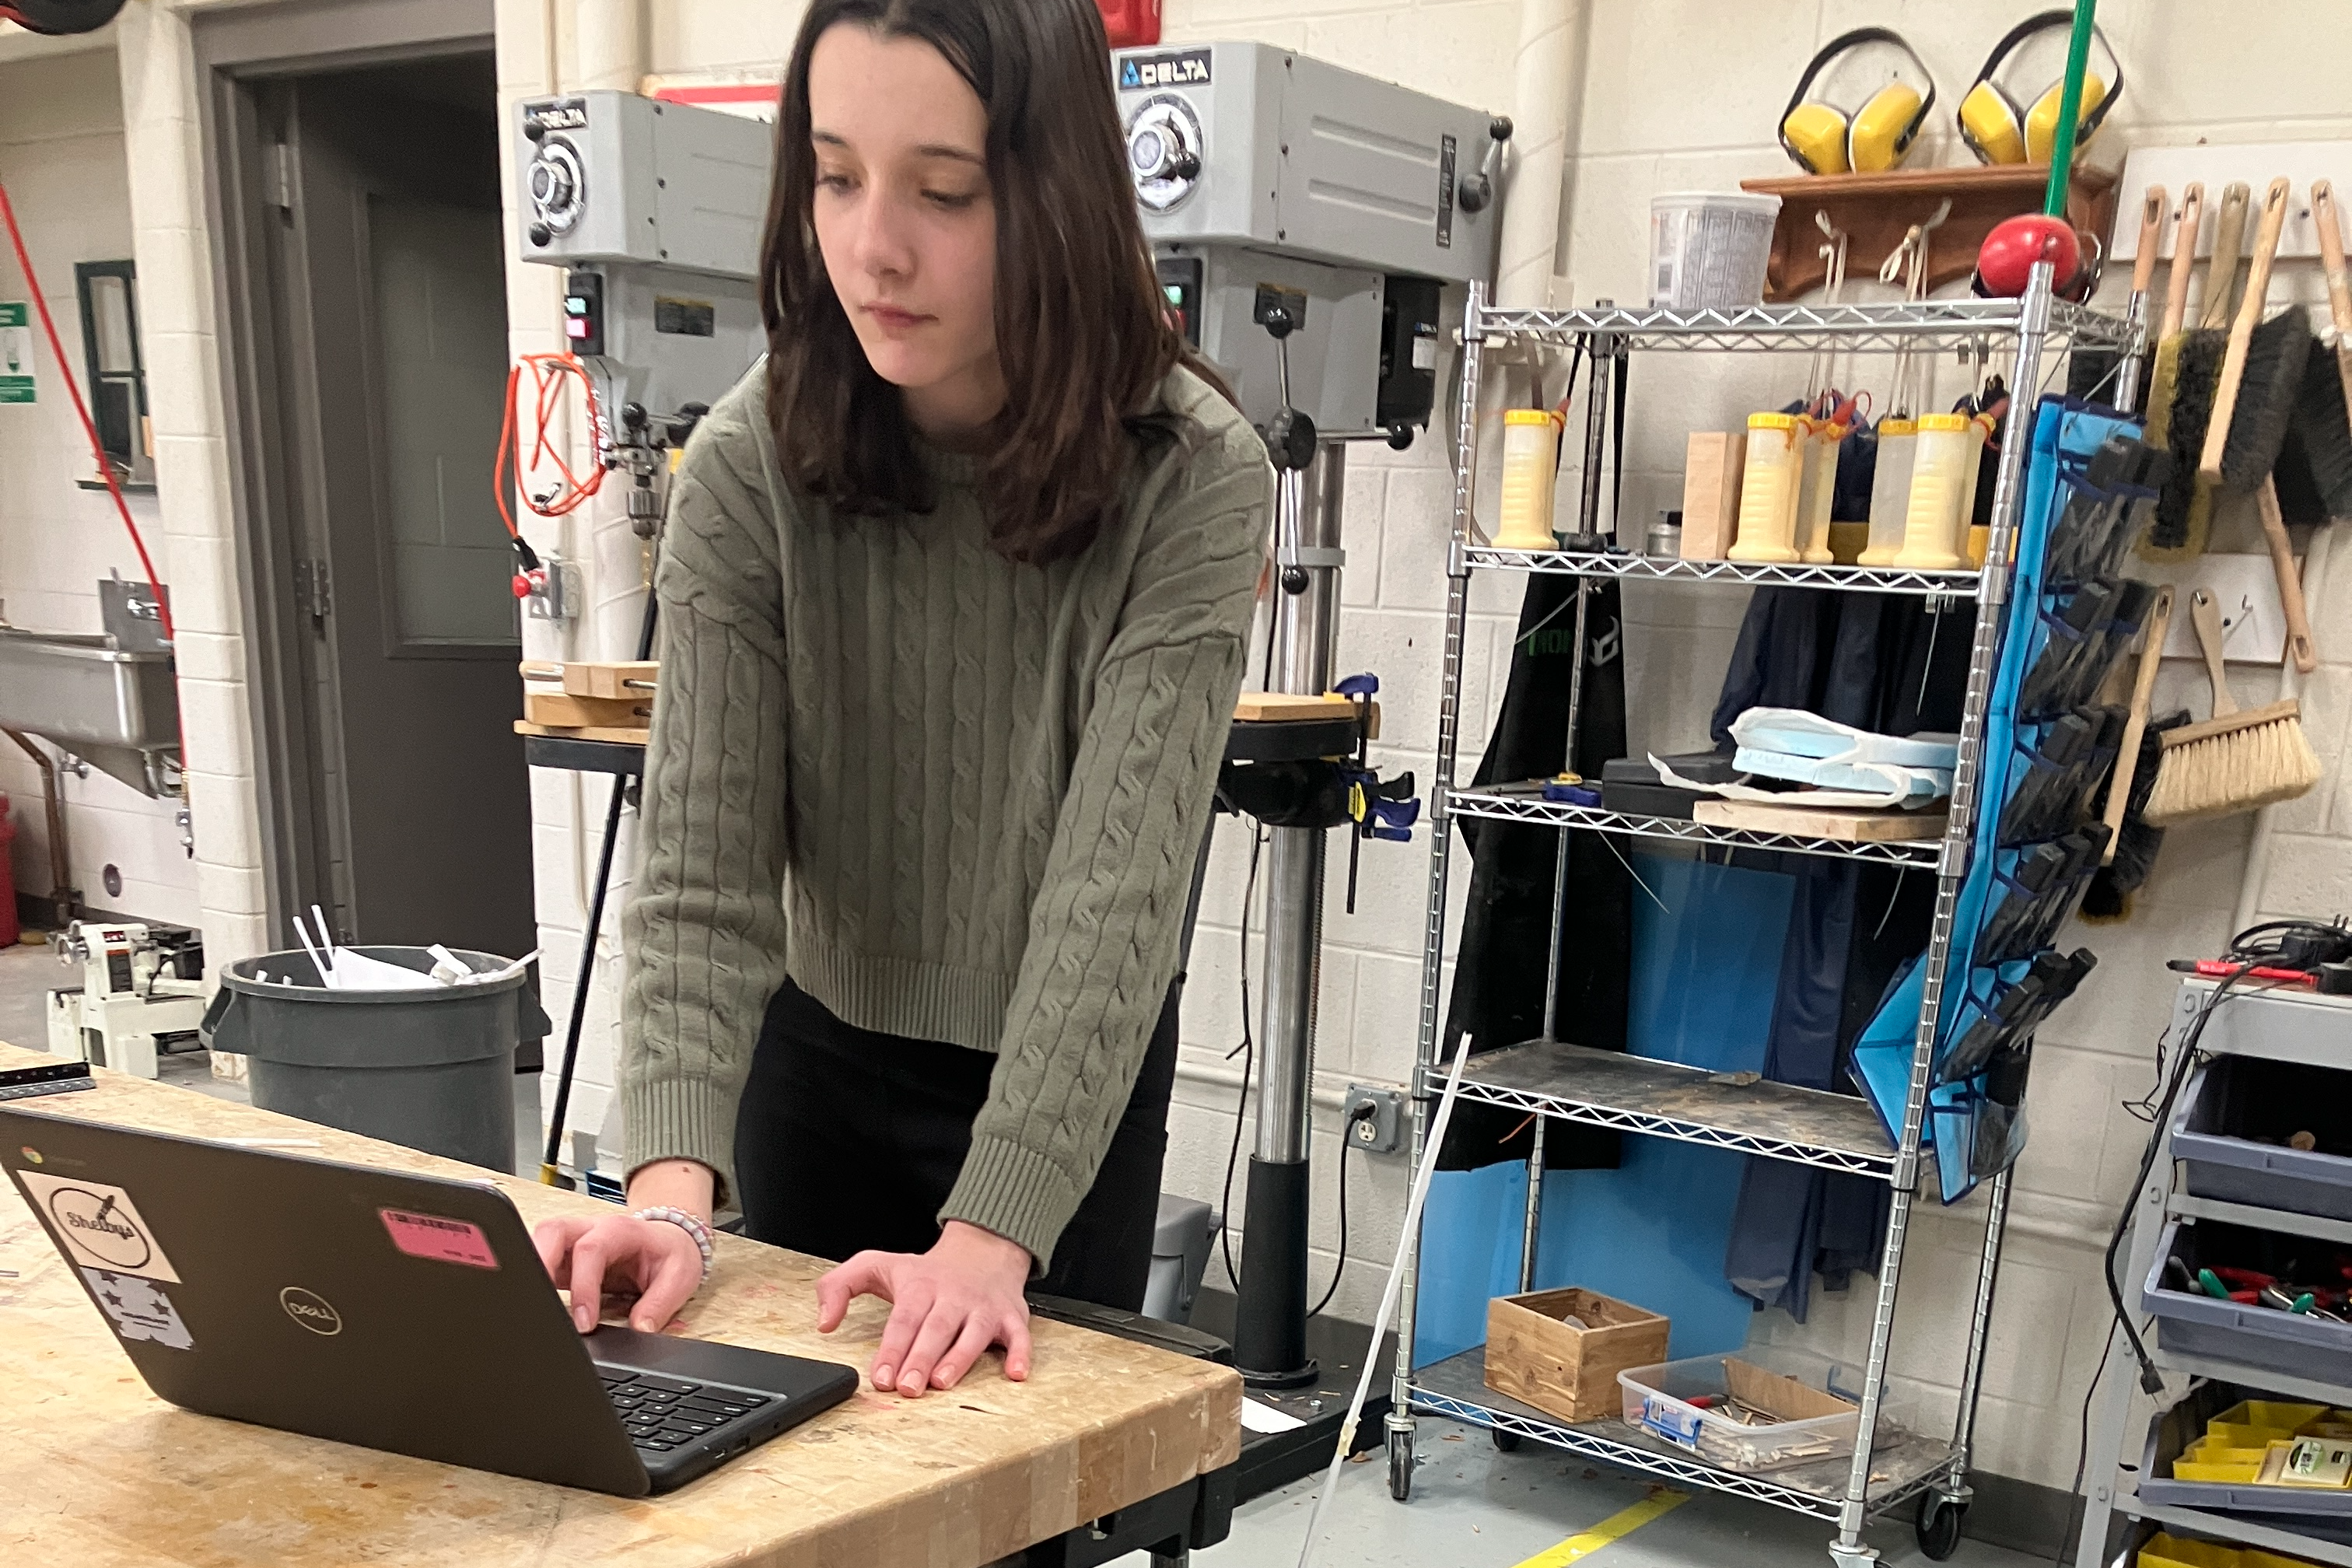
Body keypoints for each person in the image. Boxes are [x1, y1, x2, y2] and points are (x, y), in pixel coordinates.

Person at [531, 0, 1272, 1401]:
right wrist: (671, 1188)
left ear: (1052, 195)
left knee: (1010, 1501)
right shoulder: (750, 460)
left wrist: (993, 1234)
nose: (874, 245)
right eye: (833, 175)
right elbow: (702, 873)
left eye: (945, 191)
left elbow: (1114, 904)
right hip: (816, 1056)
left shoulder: (1191, 473)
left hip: (1061, 1088)